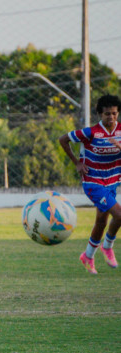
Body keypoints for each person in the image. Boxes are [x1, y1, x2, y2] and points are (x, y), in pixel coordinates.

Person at [58, 94, 121, 274]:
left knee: (101, 222)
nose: (111, 117)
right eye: (107, 114)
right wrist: (77, 162)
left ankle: (87, 256)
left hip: (112, 183)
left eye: (114, 113)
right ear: (100, 114)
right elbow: (63, 139)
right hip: (93, 182)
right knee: (120, 215)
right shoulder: (91, 132)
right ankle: (107, 246)